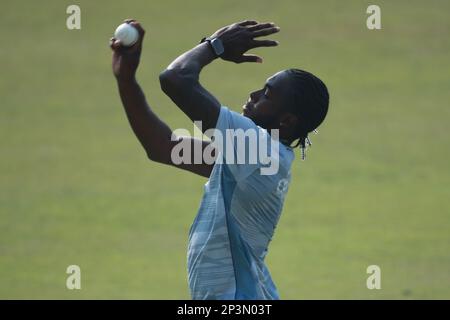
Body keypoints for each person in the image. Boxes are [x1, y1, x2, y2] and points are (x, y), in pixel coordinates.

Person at [110, 19, 329, 299]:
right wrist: (126, 80)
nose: (253, 95)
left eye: (267, 95)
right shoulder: (255, 157)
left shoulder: (258, 149)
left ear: (286, 121)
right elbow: (162, 146)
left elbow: (176, 79)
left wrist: (215, 45)